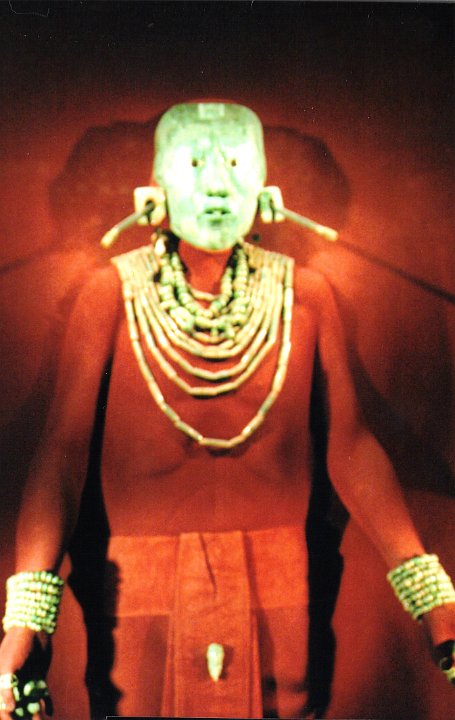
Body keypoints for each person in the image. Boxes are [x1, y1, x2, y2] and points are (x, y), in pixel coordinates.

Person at [0, 102, 453, 720]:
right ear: (155, 188)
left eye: (236, 164)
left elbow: (350, 447)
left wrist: (431, 594)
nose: (217, 184)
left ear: (266, 188)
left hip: (282, 581)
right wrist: (29, 612)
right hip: (136, 585)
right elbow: (62, 455)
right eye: (193, 164)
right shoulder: (109, 295)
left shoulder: (306, 296)